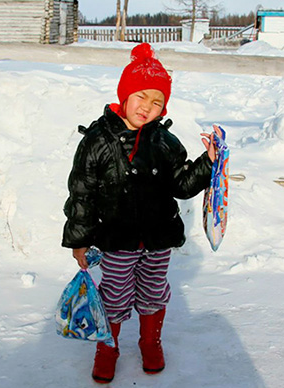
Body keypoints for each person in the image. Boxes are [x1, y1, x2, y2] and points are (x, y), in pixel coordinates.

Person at [62, 43, 219, 384]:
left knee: (153, 291)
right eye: (141, 97)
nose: (147, 108)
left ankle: (150, 341)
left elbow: (181, 184)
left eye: (157, 102)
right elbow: (82, 194)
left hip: (158, 237)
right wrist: (78, 240)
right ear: (124, 94)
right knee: (115, 296)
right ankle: (108, 347)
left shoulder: (165, 141)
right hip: (117, 239)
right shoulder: (97, 141)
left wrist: (207, 163)